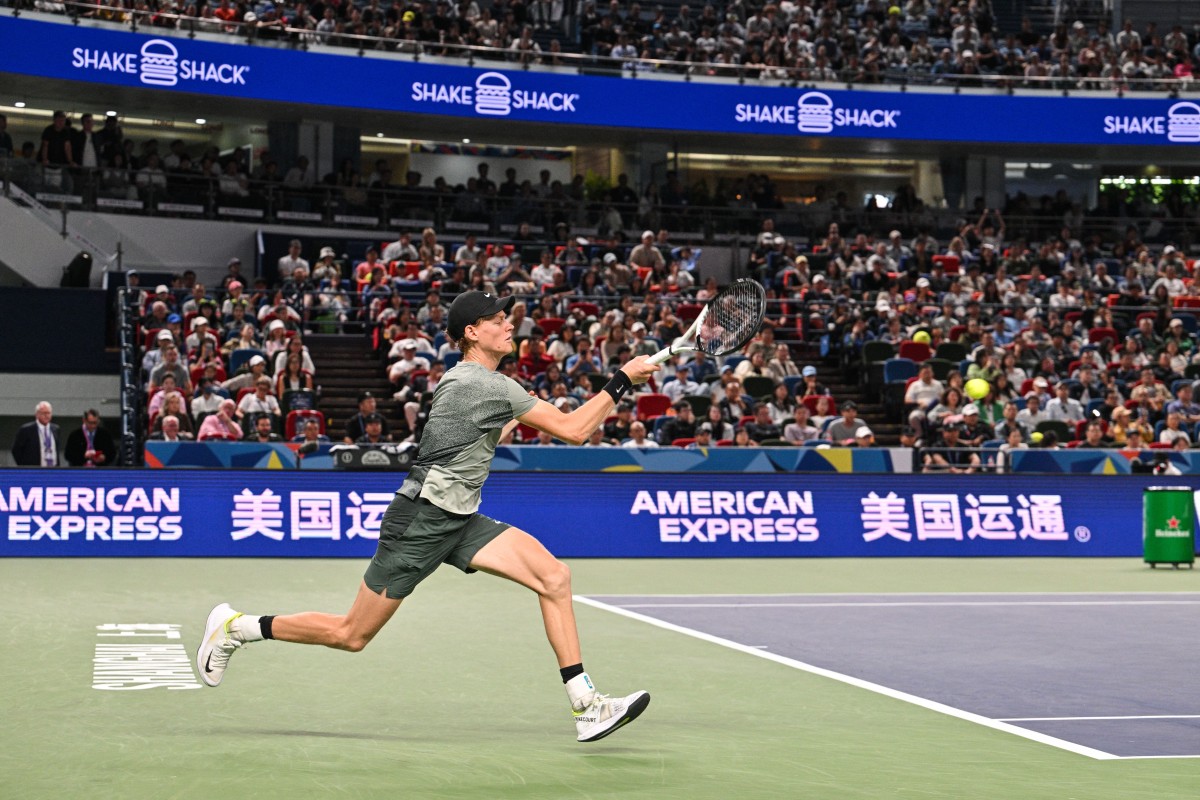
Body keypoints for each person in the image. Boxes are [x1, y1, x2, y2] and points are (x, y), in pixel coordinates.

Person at [198, 290, 658, 744]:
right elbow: (575, 430)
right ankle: (238, 627)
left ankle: (585, 706)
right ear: (473, 332)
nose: (509, 325)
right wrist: (622, 379)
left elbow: (473, 442)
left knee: (553, 577)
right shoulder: (484, 384)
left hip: (459, 519)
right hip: (420, 521)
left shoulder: (468, 382)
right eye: (498, 319)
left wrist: (511, 421)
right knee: (350, 634)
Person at [11, 401, 61, 467]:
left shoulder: (55, 429)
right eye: (43, 413)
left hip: (52, 469)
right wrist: (23, 466)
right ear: (37, 414)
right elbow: (16, 450)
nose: (46, 416)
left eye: (48, 413)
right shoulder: (26, 429)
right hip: (33, 470)